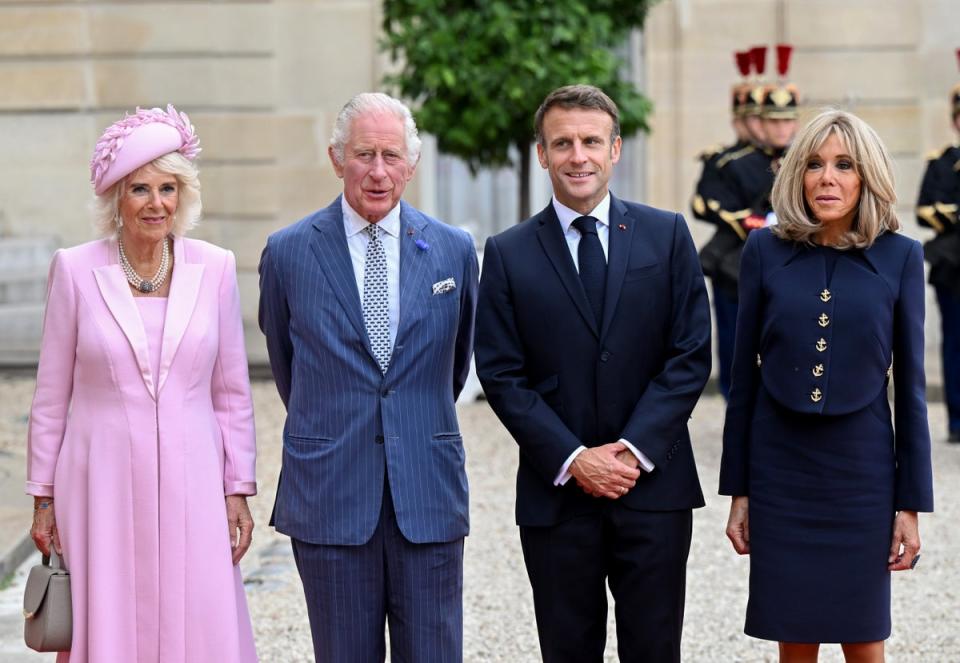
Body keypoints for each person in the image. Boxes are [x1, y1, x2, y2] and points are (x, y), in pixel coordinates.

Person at [475, 84, 711, 663]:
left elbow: (689, 356)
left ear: (615, 150)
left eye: (590, 141)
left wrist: (631, 450)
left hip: (653, 489)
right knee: (567, 650)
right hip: (557, 495)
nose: (577, 155)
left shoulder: (667, 234)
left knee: (654, 651)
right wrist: (576, 457)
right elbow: (502, 374)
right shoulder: (507, 253)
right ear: (542, 154)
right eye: (562, 143)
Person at [27, 105, 259, 662]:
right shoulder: (76, 270)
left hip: (194, 475)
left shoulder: (217, 268)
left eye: (168, 188)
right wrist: (42, 497)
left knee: (198, 609)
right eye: (140, 189)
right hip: (99, 477)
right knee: (109, 609)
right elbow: (51, 393)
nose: (156, 203)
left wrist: (238, 488)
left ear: (183, 196)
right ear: (115, 200)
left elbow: (231, 393)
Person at [258, 92, 478, 662]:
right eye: (363, 155)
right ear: (336, 159)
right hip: (330, 494)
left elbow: (454, 366)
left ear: (412, 163)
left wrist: (408, 418)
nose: (378, 172)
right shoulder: (287, 253)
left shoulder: (453, 251)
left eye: (391, 155)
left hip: (426, 491)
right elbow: (288, 368)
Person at [720, 109, 934, 663]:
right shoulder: (763, 251)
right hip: (781, 470)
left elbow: (910, 390)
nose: (827, 178)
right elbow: (742, 381)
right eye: (813, 164)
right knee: (795, 634)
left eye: (844, 165)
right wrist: (739, 490)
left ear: (867, 176)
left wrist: (910, 504)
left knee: (864, 638)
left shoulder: (902, 257)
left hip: (860, 474)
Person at [915, 62, 960, 442]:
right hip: (954, 266)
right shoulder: (942, 163)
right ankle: (958, 419)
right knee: (956, 341)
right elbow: (926, 208)